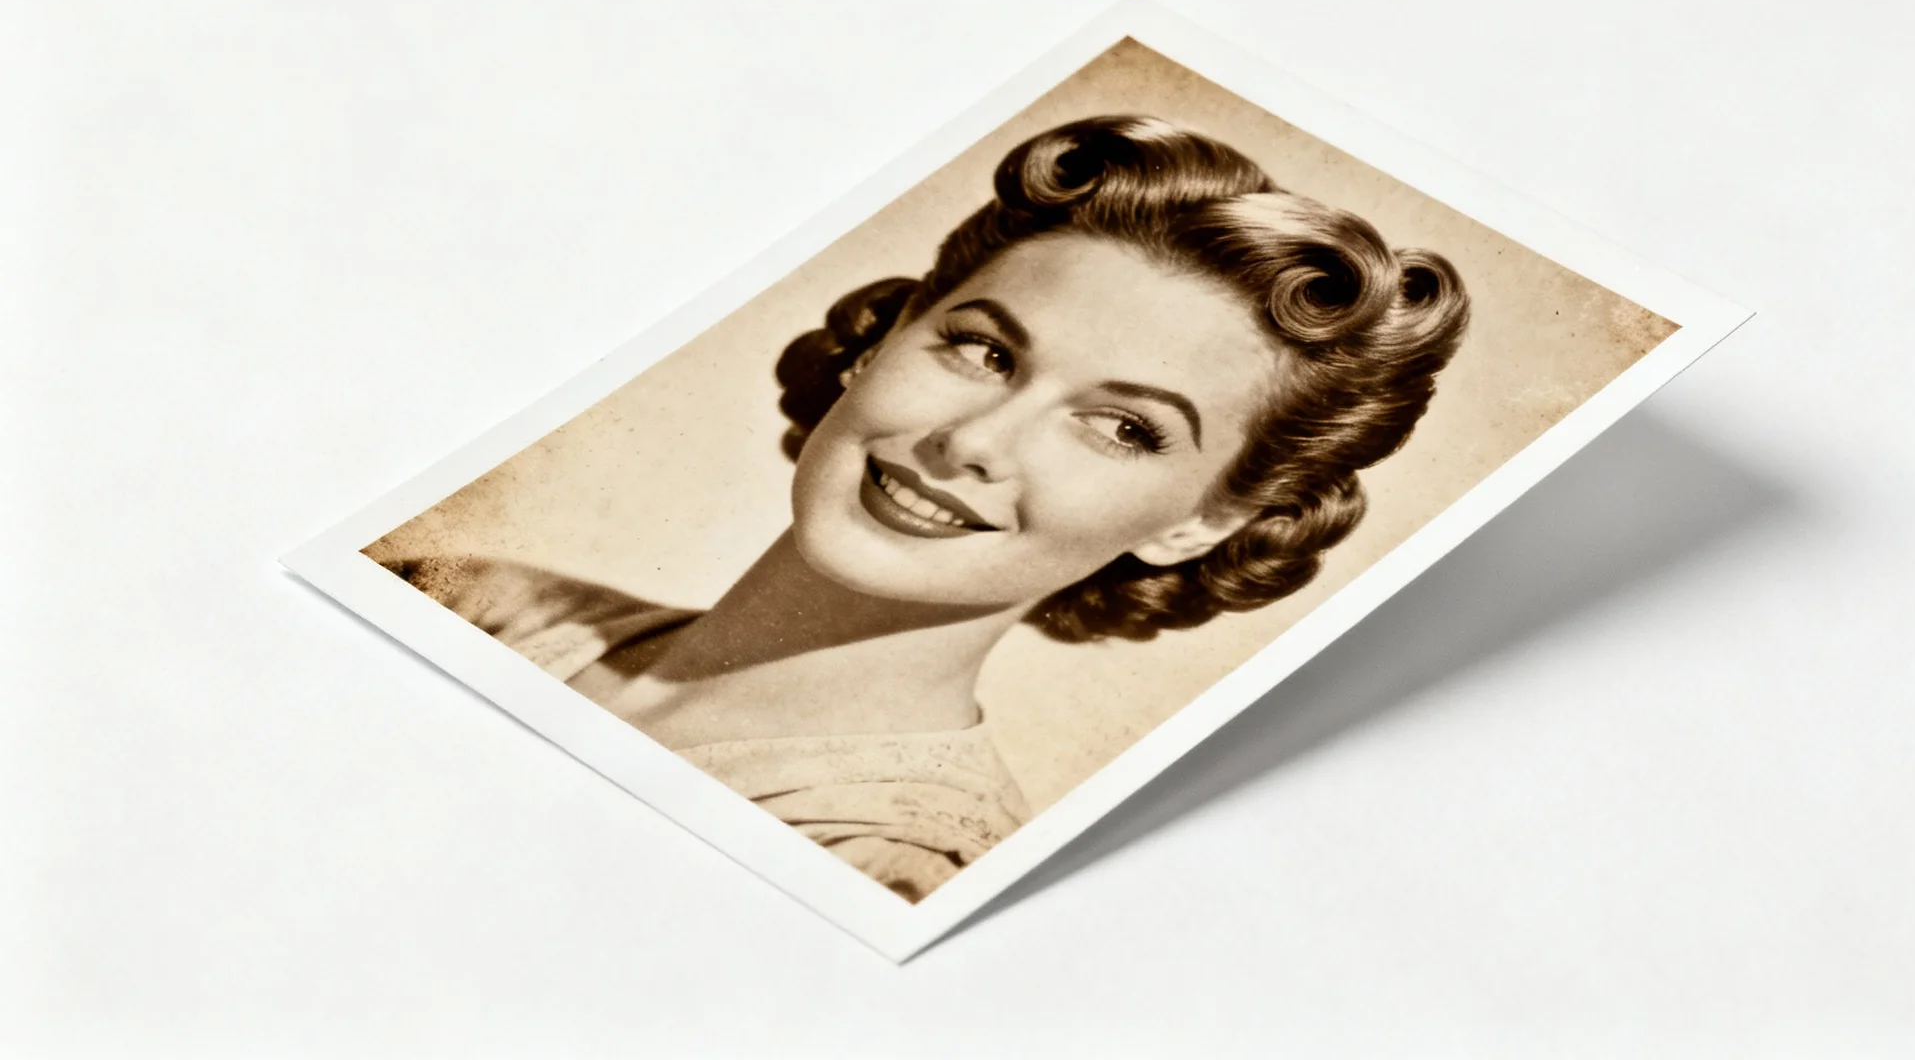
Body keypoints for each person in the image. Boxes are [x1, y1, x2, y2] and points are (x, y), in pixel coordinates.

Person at [382, 115, 1471, 901]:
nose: (974, 443)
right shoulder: (455, 598)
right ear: (882, 341)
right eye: (983, 351)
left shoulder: (890, 878)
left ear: (1202, 521)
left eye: (1121, 427)